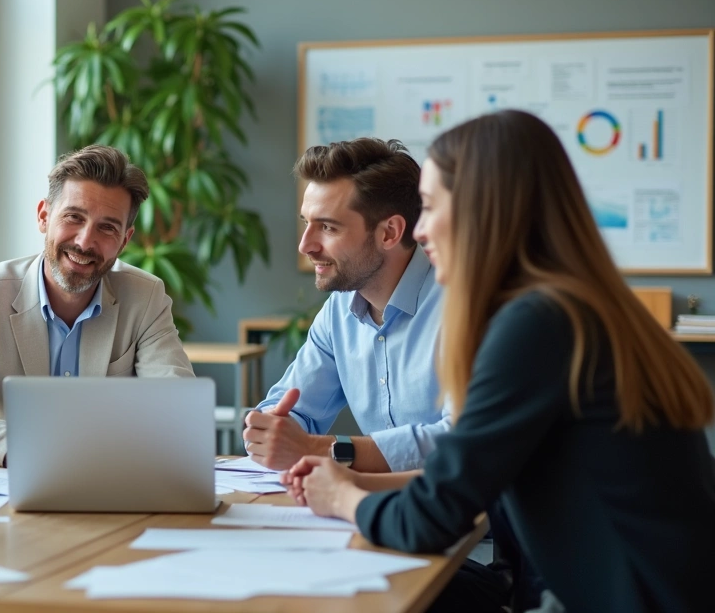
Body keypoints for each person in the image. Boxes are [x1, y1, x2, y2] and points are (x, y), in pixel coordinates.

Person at [284, 110, 715, 612]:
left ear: (481, 211)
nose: (419, 232)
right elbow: (466, 472)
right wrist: (350, 480)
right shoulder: (569, 305)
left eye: (429, 208)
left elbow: (432, 518)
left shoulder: (535, 324)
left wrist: (342, 499)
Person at [0, 144, 195, 466]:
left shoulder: (145, 297)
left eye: (107, 227)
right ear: (44, 216)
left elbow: (177, 410)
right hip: (18, 479)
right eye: (74, 217)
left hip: (110, 484)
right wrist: (42, 449)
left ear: (125, 240)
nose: (85, 241)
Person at [244, 138, 448, 473]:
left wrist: (323, 449)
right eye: (305, 223)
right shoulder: (339, 312)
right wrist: (272, 430)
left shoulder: (462, 305)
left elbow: (462, 442)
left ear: (389, 233)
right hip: (378, 510)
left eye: (327, 227)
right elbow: (289, 412)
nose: (305, 245)